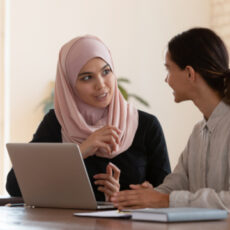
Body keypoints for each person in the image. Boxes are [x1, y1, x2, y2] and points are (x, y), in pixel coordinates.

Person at [6, 35, 171, 201]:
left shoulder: (145, 125)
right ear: (70, 85)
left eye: (106, 72)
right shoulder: (57, 122)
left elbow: (165, 194)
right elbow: (15, 186)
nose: (101, 85)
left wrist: (122, 198)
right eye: (87, 77)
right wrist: (80, 151)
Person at [111, 27, 230, 211]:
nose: (167, 80)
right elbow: (175, 185)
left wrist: (163, 200)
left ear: (189, 73)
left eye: (169, 69)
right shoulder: (198, 133)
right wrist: (148, 195)